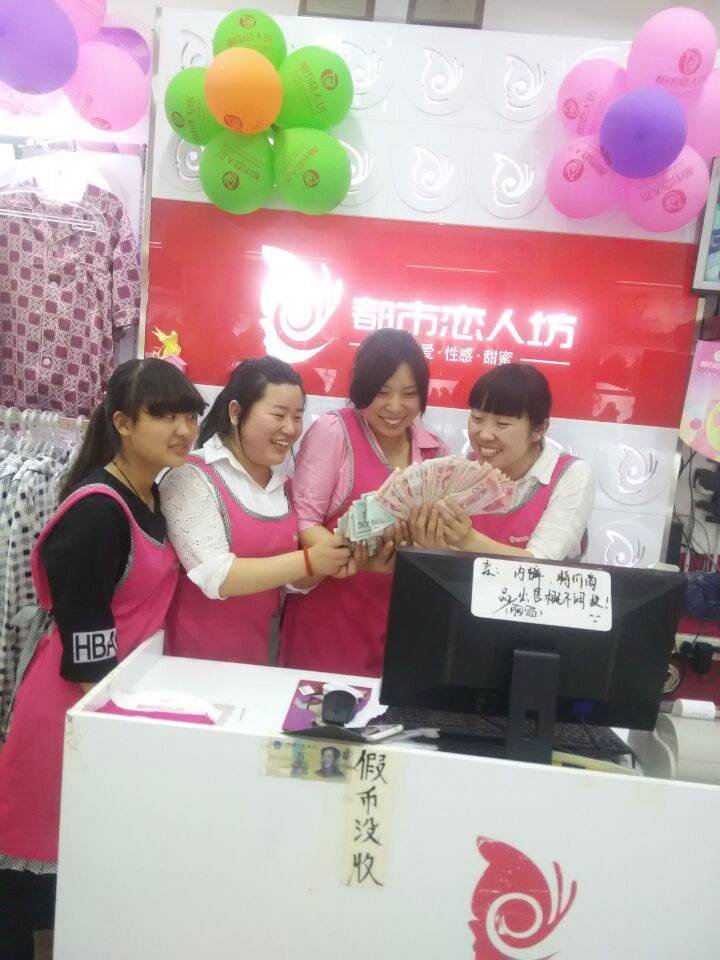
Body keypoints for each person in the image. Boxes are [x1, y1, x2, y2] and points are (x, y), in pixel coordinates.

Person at [0, 358, 206, 959]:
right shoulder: (97, 509)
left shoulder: (153, 494)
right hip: (68, 710)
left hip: (109, 705)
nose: (182, 430)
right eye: (164, 416)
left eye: (190, 416)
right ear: (122, 422)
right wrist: (121, 721)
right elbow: (85, 642)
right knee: (32, 873)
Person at [280, 329, 448, 678]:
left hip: (402, 621)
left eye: (409, 394)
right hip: (330, 619)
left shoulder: (434, 451)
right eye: (382, 392)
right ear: (362, 388)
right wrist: (354, 557)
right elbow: (302, 521)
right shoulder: (334, 432)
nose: (395, 407)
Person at [161, 357, 351, 664]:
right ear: (236, 412)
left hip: (259, 660)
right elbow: (217, 576)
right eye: (278, 415)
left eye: (297, 417)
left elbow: (288, 582)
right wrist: (308, 560)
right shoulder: (192, 475)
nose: (290, 429)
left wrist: (329, 562)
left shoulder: (284, 485)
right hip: (193, 660)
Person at [411, 363, 593, 560]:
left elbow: (543, 562)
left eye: (502, 424)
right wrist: (435, 547)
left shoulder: (570, 474)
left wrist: (468, 541)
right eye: (477, 418)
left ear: (539, 429)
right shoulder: (463, 469)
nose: (484, 434)